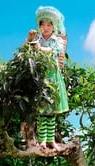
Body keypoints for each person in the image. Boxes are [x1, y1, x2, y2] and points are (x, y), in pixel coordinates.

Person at [23, 6, 69, 154]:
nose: (46, 27)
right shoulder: (36, 39)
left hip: (53, 78)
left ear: (53, 26)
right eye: (44, 25)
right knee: (42, 111)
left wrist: (39, 49)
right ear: (40, 26)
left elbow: (54, 52)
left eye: (49, 25)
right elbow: (24, 51)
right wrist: (29, 40)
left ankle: (51, 140)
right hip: (42, 78)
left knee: (52, 112)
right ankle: (42, 140)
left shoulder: (57, 40)